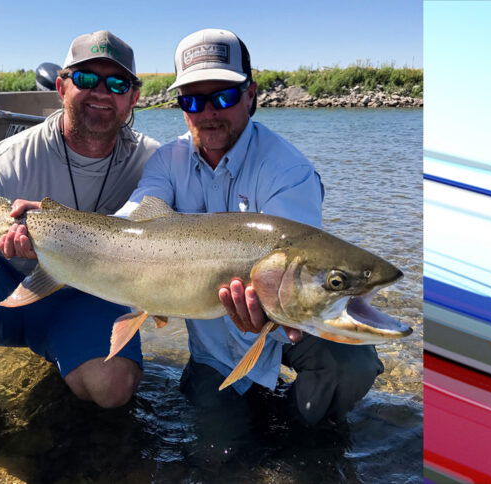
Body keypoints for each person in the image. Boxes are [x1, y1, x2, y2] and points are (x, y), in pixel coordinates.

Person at [0, 30, 160, 471]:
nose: (102, 93)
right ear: (62, 86)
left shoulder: (151, 161)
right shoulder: (13, 159)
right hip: (8, 291)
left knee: (113, 389)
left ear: (133, 97)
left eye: (117, 85)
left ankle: (67, 359)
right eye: (87, 79)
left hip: (87, 297)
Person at [115, 28, 384, 428]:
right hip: (214, 353)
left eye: (222, 96)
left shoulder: (288, 171)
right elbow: (135, 217)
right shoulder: (166, 161)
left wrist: (274, 314)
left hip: (284, 328)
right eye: (192, 100)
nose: (208, 113)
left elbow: (305, 272)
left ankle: (303, 428)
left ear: (251, 95)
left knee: (353, 363)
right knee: (220, 456)